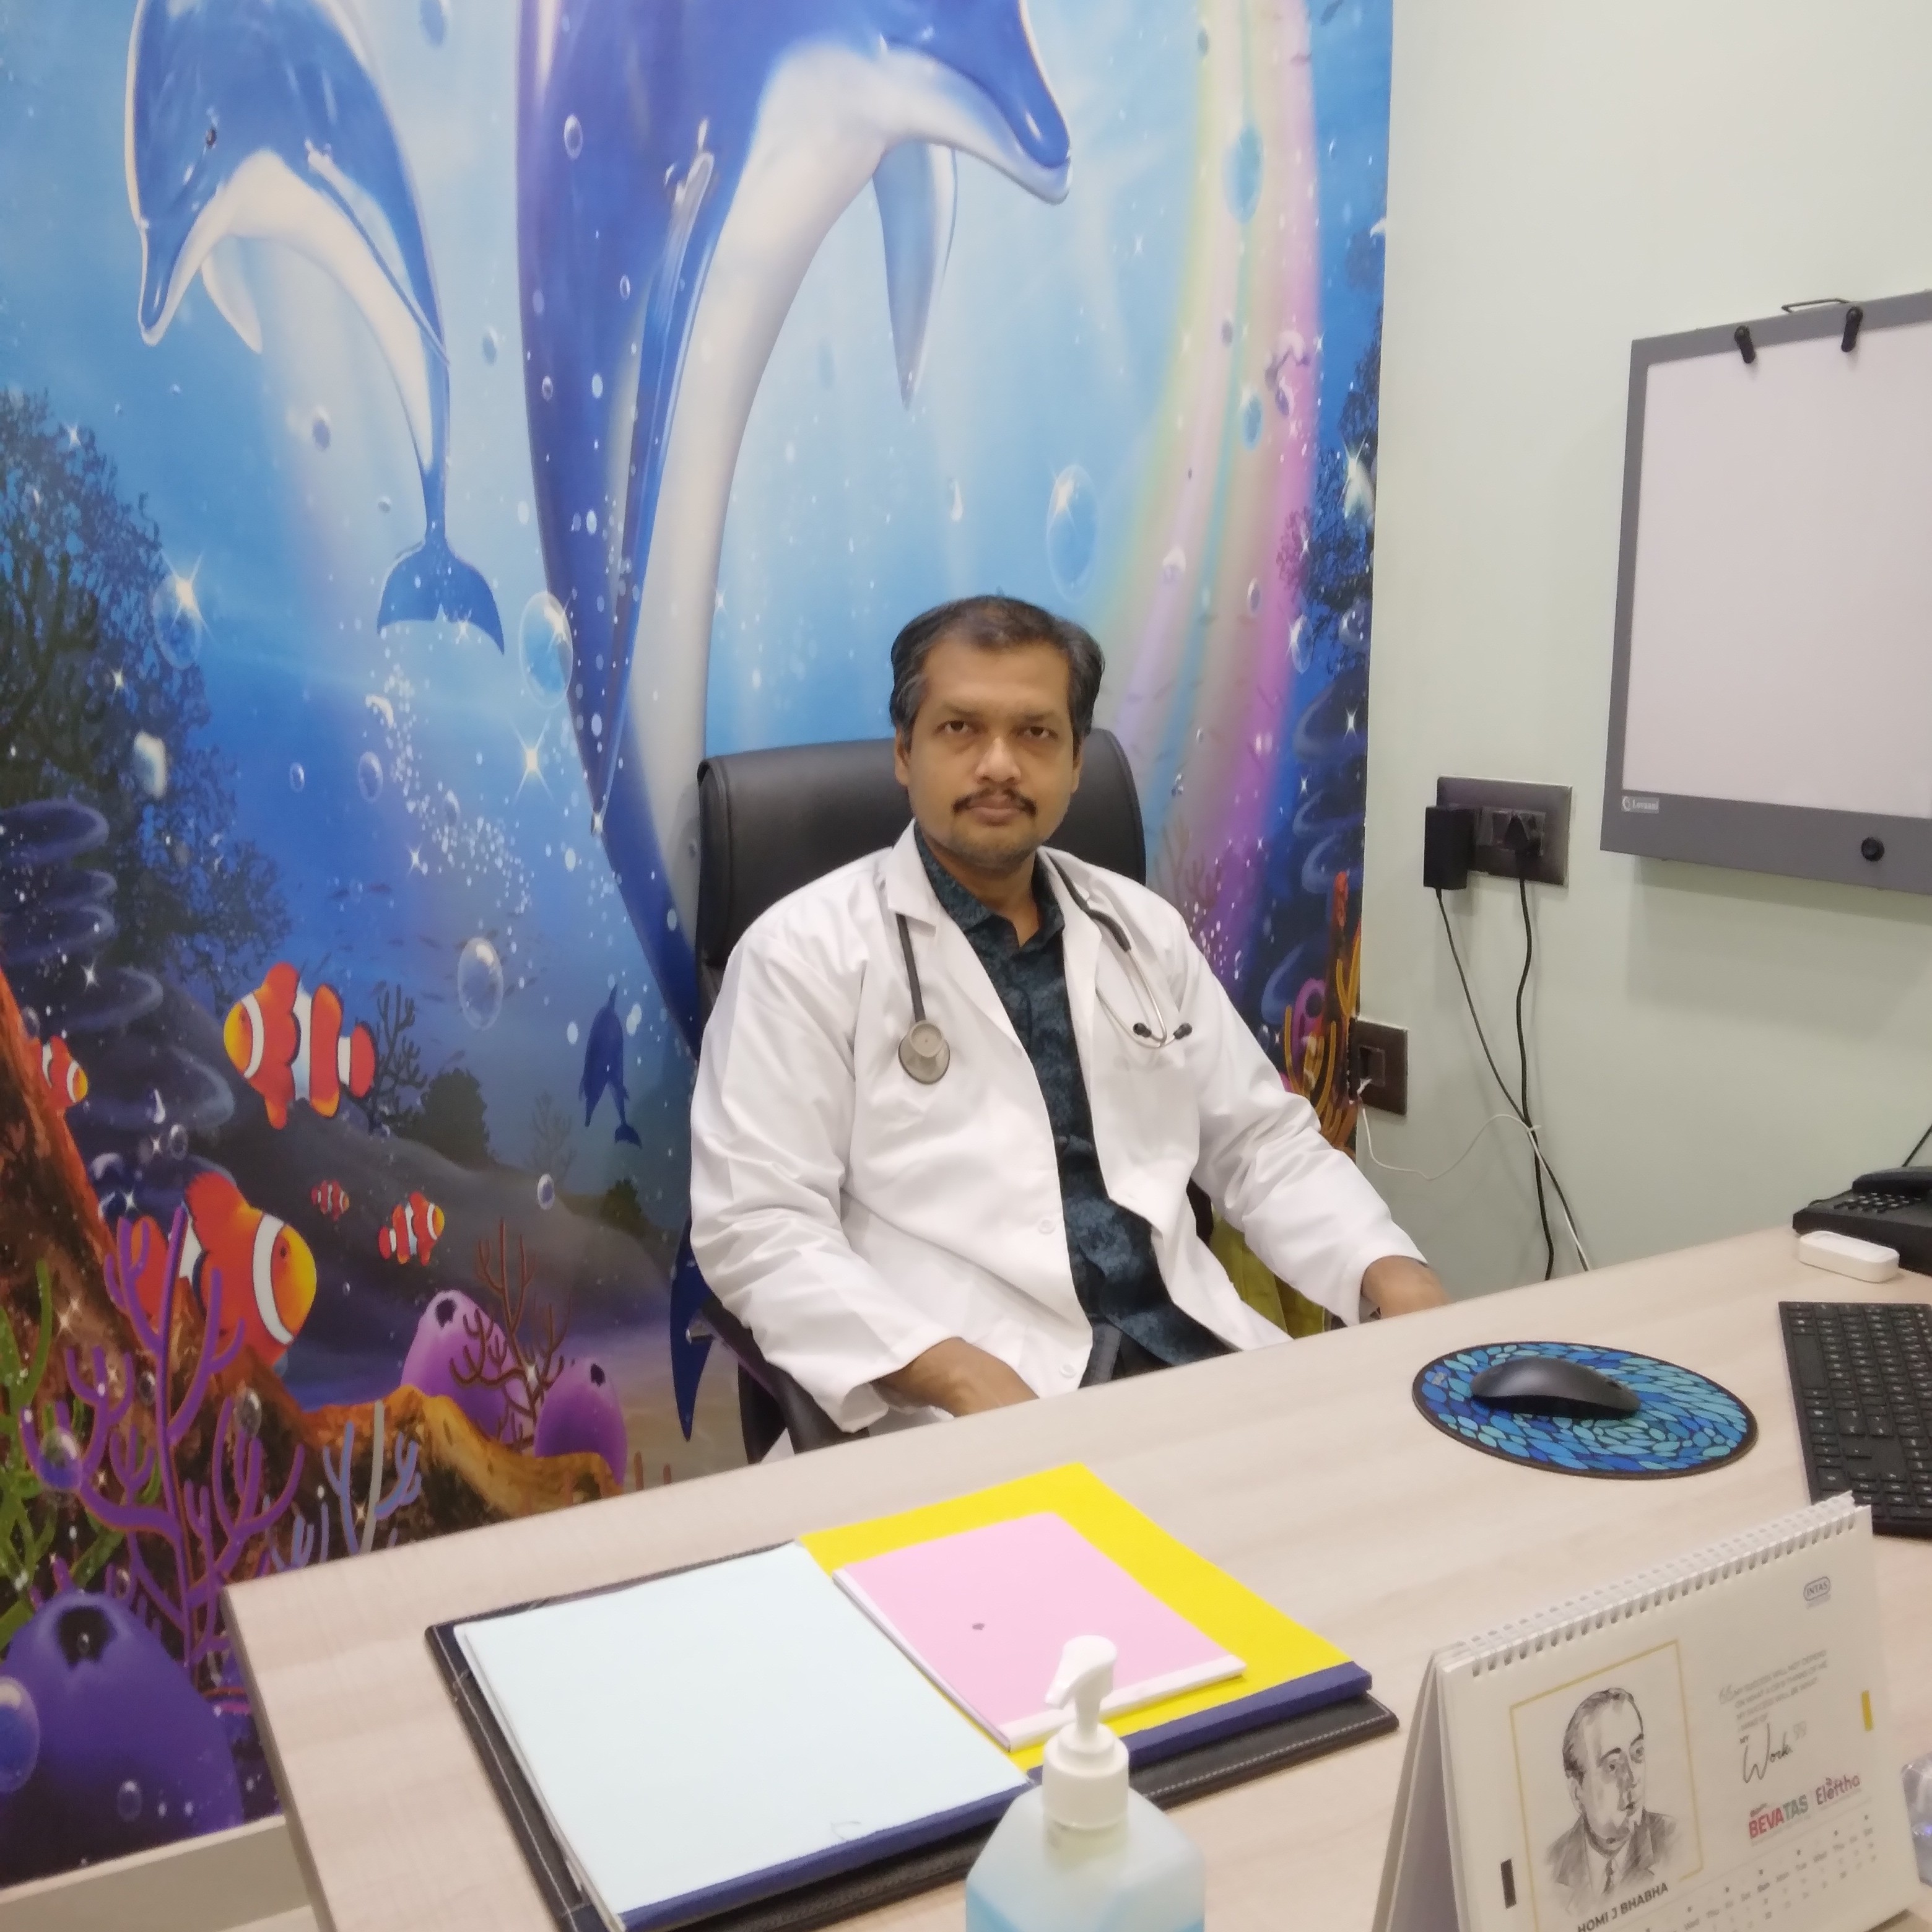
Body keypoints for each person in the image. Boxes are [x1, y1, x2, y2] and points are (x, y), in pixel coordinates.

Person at [689, 594, 1443, 1438]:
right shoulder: (801, 954)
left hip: (1191, 1359)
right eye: (960, 729)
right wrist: (954, 1372)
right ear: (905, 752)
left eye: (1036, 733)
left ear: (1077, 761)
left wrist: (1389, 1269)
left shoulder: (1140, 930)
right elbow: (759, 1226)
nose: (999, 765)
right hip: (964, 1400)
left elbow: (1260, 1146)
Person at [1546, 1689, 1677, 1917]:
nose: (1632, 1779)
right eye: (1613, 1766)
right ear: (1577, 1793)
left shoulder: (1674, 1841)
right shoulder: (1551, 1868)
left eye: (1638, 1753)